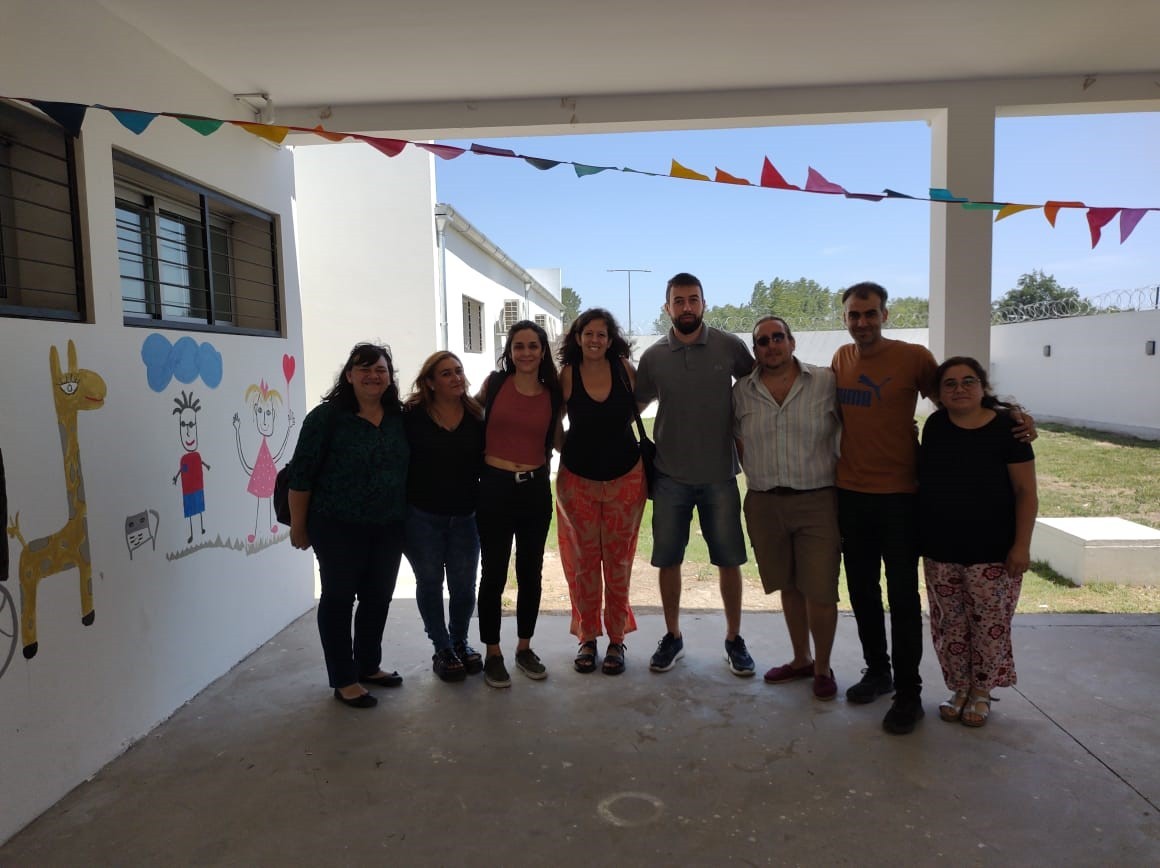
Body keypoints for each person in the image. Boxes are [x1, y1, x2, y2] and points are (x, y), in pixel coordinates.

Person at [832, 282, 1035, 735]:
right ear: (845, 319)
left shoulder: (913, 357)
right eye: (853, 315)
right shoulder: (841, 359)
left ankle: (909, 692)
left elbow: (956, 396)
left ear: (885, 315)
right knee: (862, 591)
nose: (862, 322)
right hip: (851, 493)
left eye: (870, 313)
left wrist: (1013, 416)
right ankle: (878, 671)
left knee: (903, 599)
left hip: (901, 496)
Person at [634, 273, 755, 675]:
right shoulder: (653, 357)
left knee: (729, 560)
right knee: (668, 560)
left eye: (693, 299)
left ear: (704, 303)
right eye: (679, 301)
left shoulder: (729, 346)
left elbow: (758, 385)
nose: (686, 307)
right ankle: (673, 636)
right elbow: (634, 403)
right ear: (666, 307)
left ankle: (734, 639)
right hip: (669, 477)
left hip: (720, 474)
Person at [287, 343, 409, 709]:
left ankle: (368, 665)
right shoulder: (326, 418)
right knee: (339, 598)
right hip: (336, 525)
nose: (373, 376)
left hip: (388, 525)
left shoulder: (398, 417)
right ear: (349, 375)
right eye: (365, 369)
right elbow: (300, 476)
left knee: (378, 598)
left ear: (390, 377)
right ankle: (344, 678)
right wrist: (298, 526)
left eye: (381, 369)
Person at [919, 357, 1037, 727]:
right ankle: (959, 689)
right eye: (950, 383)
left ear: (983, 386)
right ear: (940, 394)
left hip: (993, 552)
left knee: (989, 626)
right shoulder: (936, 426)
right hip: (941, 550)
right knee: (949, 626)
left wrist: (1021, 546)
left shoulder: (1009, 428)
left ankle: (982, 693)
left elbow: (1026, 493)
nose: (960, 389)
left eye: (968, 381)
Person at [733, 316, 842, 700]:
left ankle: (823, 668)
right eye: (762, 341)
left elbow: (856, 425)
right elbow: (737, 439)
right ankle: (801, 659)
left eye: (778, 337)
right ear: (755, 350)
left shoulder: (825, 382)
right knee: (789, 585)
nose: (771, 345)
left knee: (821, 589)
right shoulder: (741, 392)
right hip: (765, 502)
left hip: (817, 500)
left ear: (792, 342)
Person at [556, 308, 647, 676]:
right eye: (588, 333)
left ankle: (617, 639)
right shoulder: (567, 374)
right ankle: (588, 637)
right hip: (577, 482)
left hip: (626, 478)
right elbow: (554, 420)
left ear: (611, 340)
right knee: (584, 562)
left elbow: (639, 404)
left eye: (601, 334)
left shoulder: (624, 369)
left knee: (619, 562)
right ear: (578, 338)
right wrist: (568, 448)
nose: (594, 340)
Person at [475, 320, 563, 688]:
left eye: (532, 346)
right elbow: (466, 412)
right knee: (494, 572)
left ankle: (524, 647)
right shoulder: (495, 384)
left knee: (530, 572)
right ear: (510, 352)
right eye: (519, 346)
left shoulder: (552, 394)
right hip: (494, 488)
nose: (525, 352)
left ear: (542, 351)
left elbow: (559, 439)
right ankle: (492, 652)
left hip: (534, 490)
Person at [402, 351, 485, 683]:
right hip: (422, 518)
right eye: (446, 373)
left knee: (464, 587)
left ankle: (460, 641)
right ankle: (442, 647)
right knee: (430, 583)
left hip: (466, 517)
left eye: (458, 371)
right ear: (431, 382)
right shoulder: (411, 417)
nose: (456, 377)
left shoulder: (476, 415)